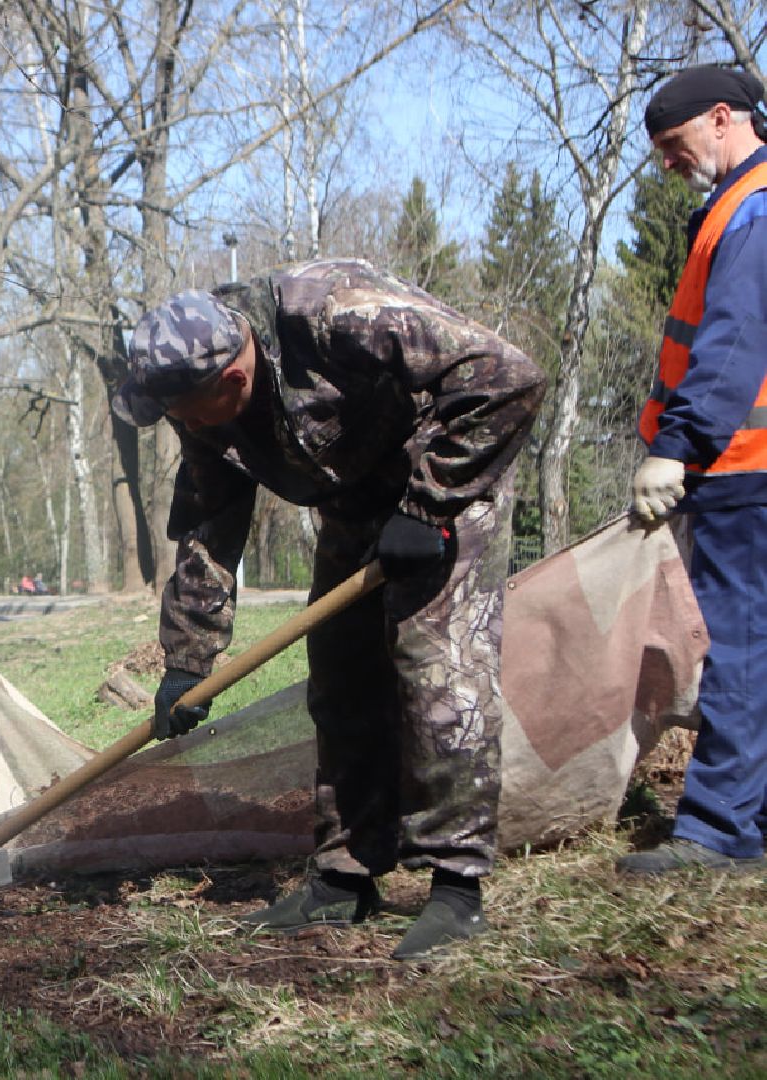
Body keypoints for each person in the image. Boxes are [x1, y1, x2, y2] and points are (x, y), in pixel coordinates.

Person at [115, 265, 543, 959]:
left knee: (437, 672)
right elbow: (207, 523)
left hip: (447, 485)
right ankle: (345, 877)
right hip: (351, 503)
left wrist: (429, 504)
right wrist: (187, 661)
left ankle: (455, 890)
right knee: (341, 678)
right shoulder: (198, 402)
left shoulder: (339, 315)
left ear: (233, 377)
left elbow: (508, 377)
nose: (186, 427)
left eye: (190, 413)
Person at [622, 65, 767, 876]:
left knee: (737, 646)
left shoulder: (751, 209)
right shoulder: (739, 206)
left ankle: (718, 831)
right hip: (743, 464)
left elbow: (731, 343)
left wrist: (676, 445)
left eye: (672, 144)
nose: (668, 162)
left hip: (742, 468)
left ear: (721, 118)